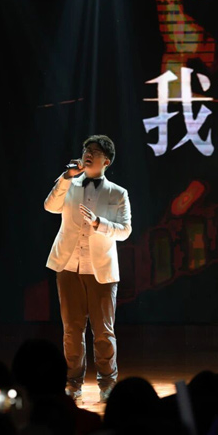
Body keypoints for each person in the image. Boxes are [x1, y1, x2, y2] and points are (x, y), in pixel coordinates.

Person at [44, 134, 132, 403]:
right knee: (72, 330)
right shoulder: (69, 183)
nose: (88, 154)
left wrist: (98, 223)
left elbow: (125, 230)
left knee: (103, 330)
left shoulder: (118, 193)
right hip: (68, 265)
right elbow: (50, 206)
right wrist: (65, 177)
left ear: (106, 161)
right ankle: (73, 383)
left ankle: (107, 383)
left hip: (100, 269)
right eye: (86, 150)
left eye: (94, 151)